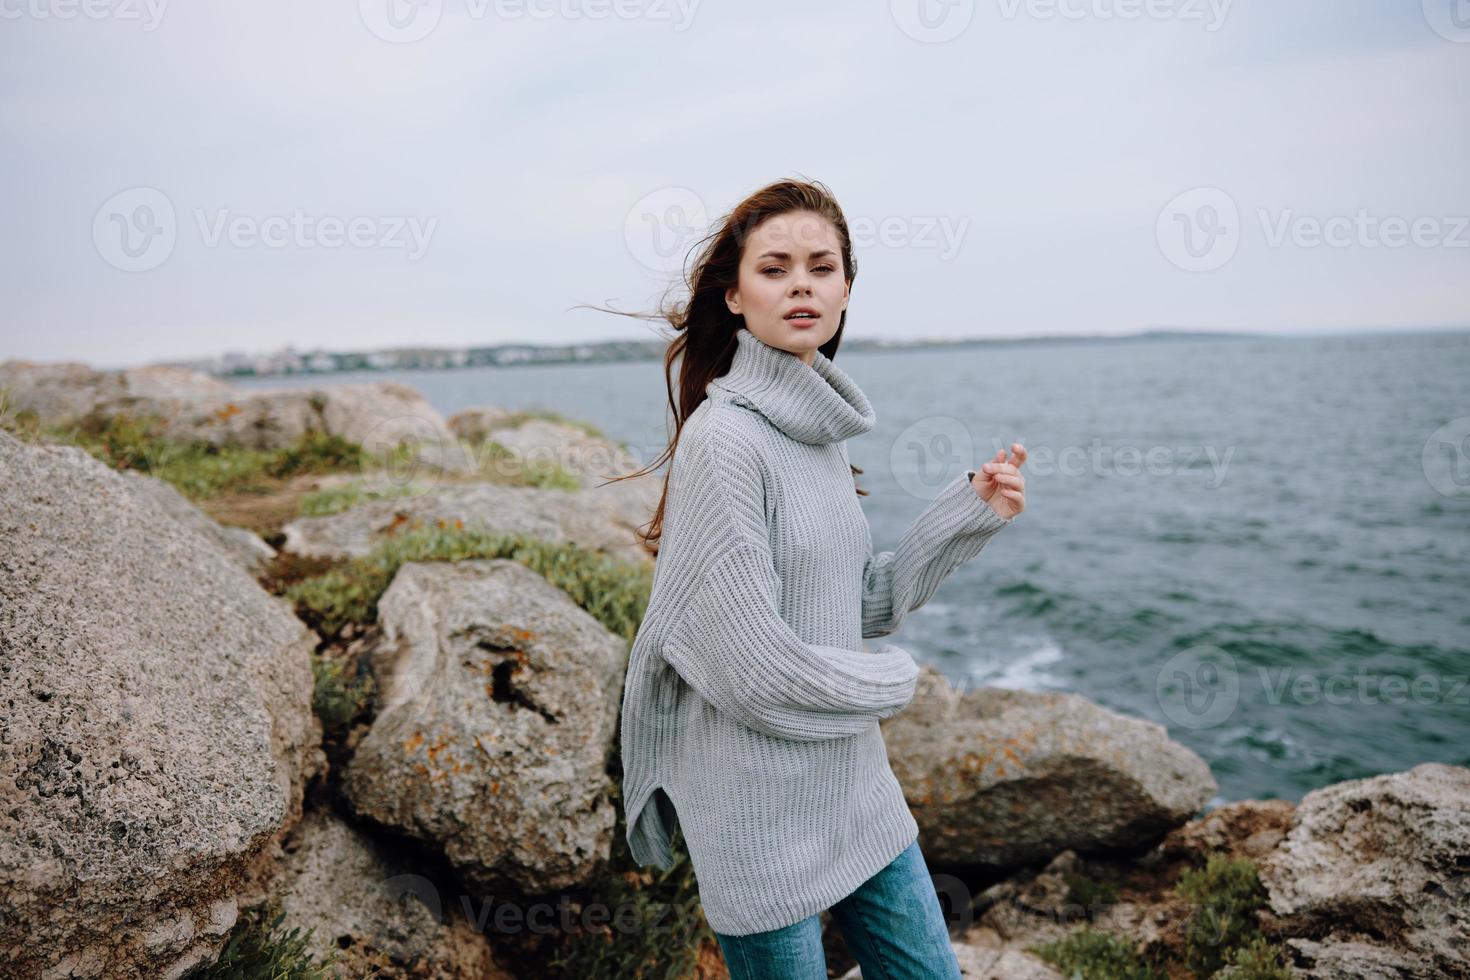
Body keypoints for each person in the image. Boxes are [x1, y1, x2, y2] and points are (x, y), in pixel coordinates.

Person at [604, 178, 1027, 979]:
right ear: (733, 297)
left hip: (855, 786)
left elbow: (852, 607)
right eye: (775, 268)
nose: (801, 282)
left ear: (843, 291)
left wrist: (966, 513)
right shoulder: (724, 441)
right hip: (756, 814)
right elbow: (750, 668)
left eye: (821, 266)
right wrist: (896, 687)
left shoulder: (817, 435)